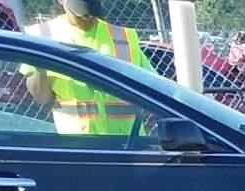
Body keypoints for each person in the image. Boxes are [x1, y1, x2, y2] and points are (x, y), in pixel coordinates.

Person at [22, 0, 152, 136]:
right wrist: (40, 69)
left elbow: (152, 87)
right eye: (81, 11)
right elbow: (42, 97)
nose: (89, 16)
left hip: (127, 143)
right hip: (79, 145)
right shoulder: (42, 35)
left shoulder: (123, 37)